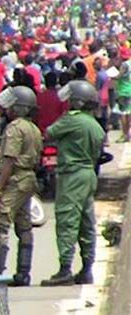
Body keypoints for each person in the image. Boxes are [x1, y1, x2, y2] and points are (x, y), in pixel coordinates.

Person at [41, 81, 105, 286]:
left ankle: (65, 269)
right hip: (88, 174)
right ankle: (87, 269)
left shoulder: (72, 120)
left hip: (72, 174)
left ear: (77, 101)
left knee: (67, 220)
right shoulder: (95, 125)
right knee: (87, 222)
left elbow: (49, 132)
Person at [0, 86, 42, 286]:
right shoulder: (33, 128)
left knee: (1, 224)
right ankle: (23, 273)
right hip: (28, 180)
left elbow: (9, 160)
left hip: (15, 180)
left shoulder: (14, 128)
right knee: (24, 226)